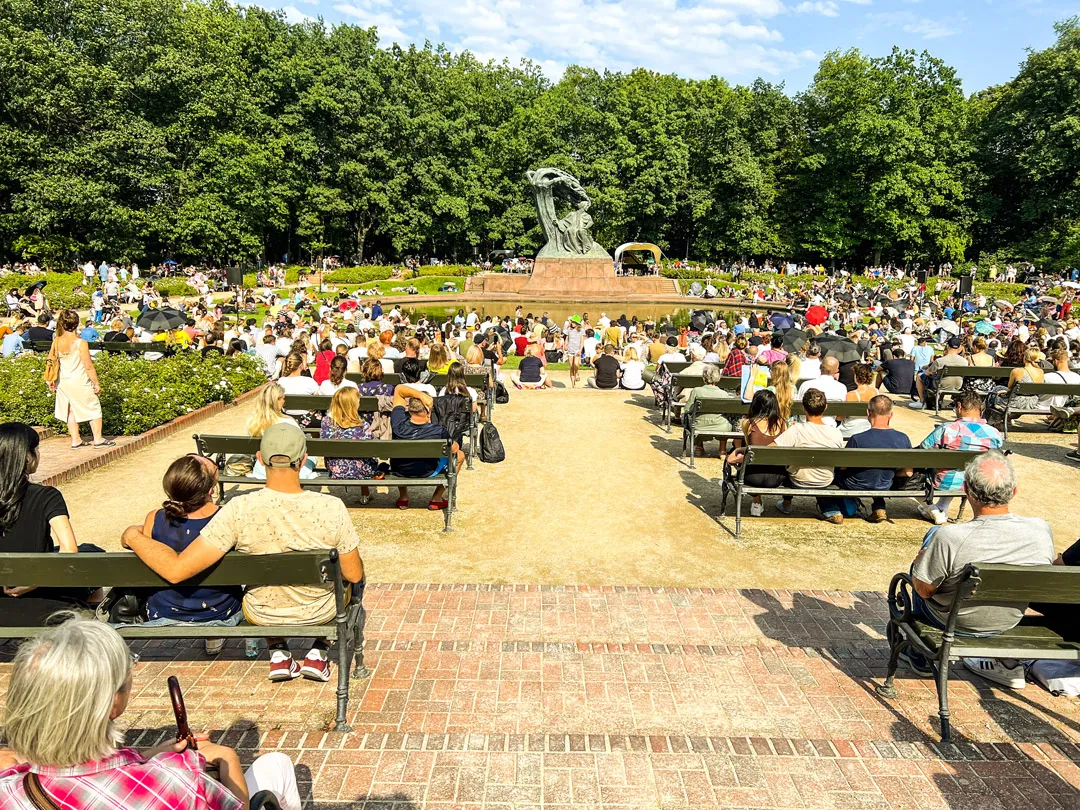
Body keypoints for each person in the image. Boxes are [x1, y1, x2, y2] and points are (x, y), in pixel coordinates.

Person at [123, 423, 364, 684]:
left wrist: (133, 535)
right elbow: (353, 573)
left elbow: (177, 569)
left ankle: (278, 650)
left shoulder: (239, 508)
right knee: (354, 578)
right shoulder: (331, 507)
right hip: (320, 611)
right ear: (304, 460)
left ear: (260, 459)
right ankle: (320, 648)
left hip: (262, 612)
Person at [0, 613, 303, 809]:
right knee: (277, 765)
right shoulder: (178, 784)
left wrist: (148, 755)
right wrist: (227, 758)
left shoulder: (9, 790)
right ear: (113, 703)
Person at [901, 451, 1055, 686]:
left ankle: (920, 657)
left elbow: (923, 591)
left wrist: (921, 560)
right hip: (1008, 619)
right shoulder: (1040, 530)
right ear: (1013, 491)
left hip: (953, 622)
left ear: (966, 489)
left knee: (927, 550)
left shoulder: (949, 537)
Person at [135, 455, 244, 654]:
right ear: (211, 490)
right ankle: (212, 633)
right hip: (220, 610)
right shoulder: (228, 519)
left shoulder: (154, 518)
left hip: (163, 609)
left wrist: (130, 535)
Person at [0, 423, 104, 625]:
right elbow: (69, 549)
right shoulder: (46, 495)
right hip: (43, 607)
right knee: (92, 555)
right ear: (26, 456)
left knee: (90, 550)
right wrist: (34, 582)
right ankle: (94, 624)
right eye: (36, 449)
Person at [917, 390, 1003, 525]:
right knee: (962, 468)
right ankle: (942, 506)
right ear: (980, 408)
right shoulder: (994, 433)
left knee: (935, 466)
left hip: (944, 481)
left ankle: (935, 507)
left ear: (959, 406)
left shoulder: (948, 429)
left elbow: (921, 451)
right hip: (976, 482)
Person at [770, 389, 846, 522]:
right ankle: (831, 509)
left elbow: (769, 451)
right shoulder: (836, 433)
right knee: (821, 468)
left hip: (798, 480)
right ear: (825, 407)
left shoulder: (796, 430)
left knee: (786, 465)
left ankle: (787, 503)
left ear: (804, 408)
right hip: (825, 480)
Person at [836, 396, 912, 523]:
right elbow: (908, 472)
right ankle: (879, 507)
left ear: (868, 413)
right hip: (885, 484)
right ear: (891, 415)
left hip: (856, 484)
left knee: (837, 471)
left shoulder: (857, 439)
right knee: (879, 475)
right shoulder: (903, 438)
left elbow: (843, 467)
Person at [389, 384, 464, 510]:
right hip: (427, 470)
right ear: (428, 411)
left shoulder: (398, 424)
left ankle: (403, 497)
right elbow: (454, 449)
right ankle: (436, 498)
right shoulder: (438, 431)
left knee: (401, 457)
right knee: (460, 455)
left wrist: (419, 395)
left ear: (409, 409)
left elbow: (399, 390)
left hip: (400, 470)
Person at [49, 309, 113, 449]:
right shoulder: (80, 342)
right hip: (79, 379)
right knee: (93, 407)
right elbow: (88, 365)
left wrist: (51, 380)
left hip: (63, 380)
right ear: (77, 323)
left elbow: (51, 361)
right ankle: (98, 439)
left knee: (70, 409)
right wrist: (96, 383)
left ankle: (76, 440)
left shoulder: (57, 341)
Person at [725, 390, 787, 517]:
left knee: (749, 460)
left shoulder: (748, 423)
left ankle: (756, 501)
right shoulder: (783, 423)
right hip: (777, 477)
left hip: (753, 477)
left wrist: (736, 451)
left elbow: (750, 449)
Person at [320, 387, 376, 504]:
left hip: (336, 468)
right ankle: (365, 492)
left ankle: (365, 492)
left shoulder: (326, 422)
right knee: (366, 458)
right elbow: (371, 452)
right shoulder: (364, 425)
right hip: (361, 471)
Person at [684, 365, 734, 457]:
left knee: (695, 420)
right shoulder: (724, 394)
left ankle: (699, 447)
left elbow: (687, 409)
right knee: (726, 421)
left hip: (699, 426)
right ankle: (722, 450)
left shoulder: (696, 391)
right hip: (720, 426)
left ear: (704, 377)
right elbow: (728, 412)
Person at [913, 337, 968, 410]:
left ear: (947, 346)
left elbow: (927, 373)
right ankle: (939, 400)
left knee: (919, 376)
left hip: (941, 385)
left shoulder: (940, 361)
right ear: (959, 348)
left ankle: (922, 401)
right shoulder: (964, 361)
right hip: (957, 385)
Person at [796, 356, 847, 427]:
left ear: (820, 367)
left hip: (805, 424)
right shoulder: (842, 388)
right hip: (829, 425)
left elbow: (798, 407)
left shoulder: (806, 385)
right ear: (836, 371)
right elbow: (841, 413)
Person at [840, 363, 878, 438]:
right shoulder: (876, 392)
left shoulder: (851, 395)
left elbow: (841, 416)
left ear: (857, 377)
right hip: (868, 426)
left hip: (851, 428)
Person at [565, 315, 584, 387]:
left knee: (576, 364)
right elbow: (567, 339)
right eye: (572, 322)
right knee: (571, 366)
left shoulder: (581, 330)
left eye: (573, 322)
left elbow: (582, 341)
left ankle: (577, 372)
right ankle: (573, 384)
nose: (572, 323)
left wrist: (580, 349)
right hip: (570, 349)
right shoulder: (569, 329)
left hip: (577, 349)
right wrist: (565, 345)